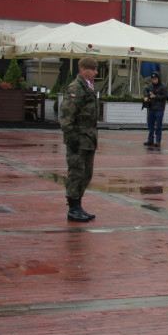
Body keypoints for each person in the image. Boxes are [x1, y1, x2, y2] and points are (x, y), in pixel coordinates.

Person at [59, 56, 99, 222]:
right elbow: (66, 116)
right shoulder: (75, 88)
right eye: (94, 69)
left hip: (88, 139)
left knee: (86, 174)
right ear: (84, 70)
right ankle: (73, 208)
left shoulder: (87, 87)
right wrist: (72, 137)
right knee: (76, 173)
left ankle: (78, 206)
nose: (96, 73)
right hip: (78, 139)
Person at [143, 71, 168, 148]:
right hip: (151, 108)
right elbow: (146, 90)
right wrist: (146, 96)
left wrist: (156, 96)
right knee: (150, 125)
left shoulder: (163, 87)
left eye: (155, 79)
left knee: (158, 125)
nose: (154, 80)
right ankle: (150, 139)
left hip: (159, 108)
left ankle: (158, 140)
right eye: (152, 79)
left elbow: (167, 96)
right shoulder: (150, 85)